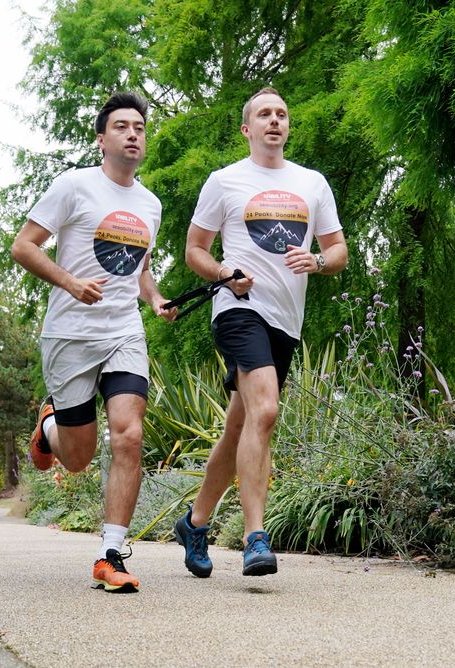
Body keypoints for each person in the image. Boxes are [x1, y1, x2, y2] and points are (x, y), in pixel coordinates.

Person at [173, 87, 348, 577]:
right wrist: (224, 273)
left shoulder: (312, 183)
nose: (274, 120)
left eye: (282, 114)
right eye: (264, 114)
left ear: (288, 127)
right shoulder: (225, 181)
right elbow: (195, 250)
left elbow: (338, 251)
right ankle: (255, 538)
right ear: (247, 129)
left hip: (285, 320)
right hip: (238, 308)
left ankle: (194, 523)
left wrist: (316, 260)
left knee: (240, 425)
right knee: (266, 409)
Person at [11, 91, 176, 593]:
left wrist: (155, 298)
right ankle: (49, 426)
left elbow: (140, 270)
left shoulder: (150, 204)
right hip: (70, 334)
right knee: (79, 458)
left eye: (139, 128)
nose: (133, 134)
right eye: (122, 126)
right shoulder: (74, 186)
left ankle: (111, 554)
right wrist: (70, 283)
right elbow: (23, 246)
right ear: (102, 139)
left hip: (123, 331)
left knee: (128, 434)